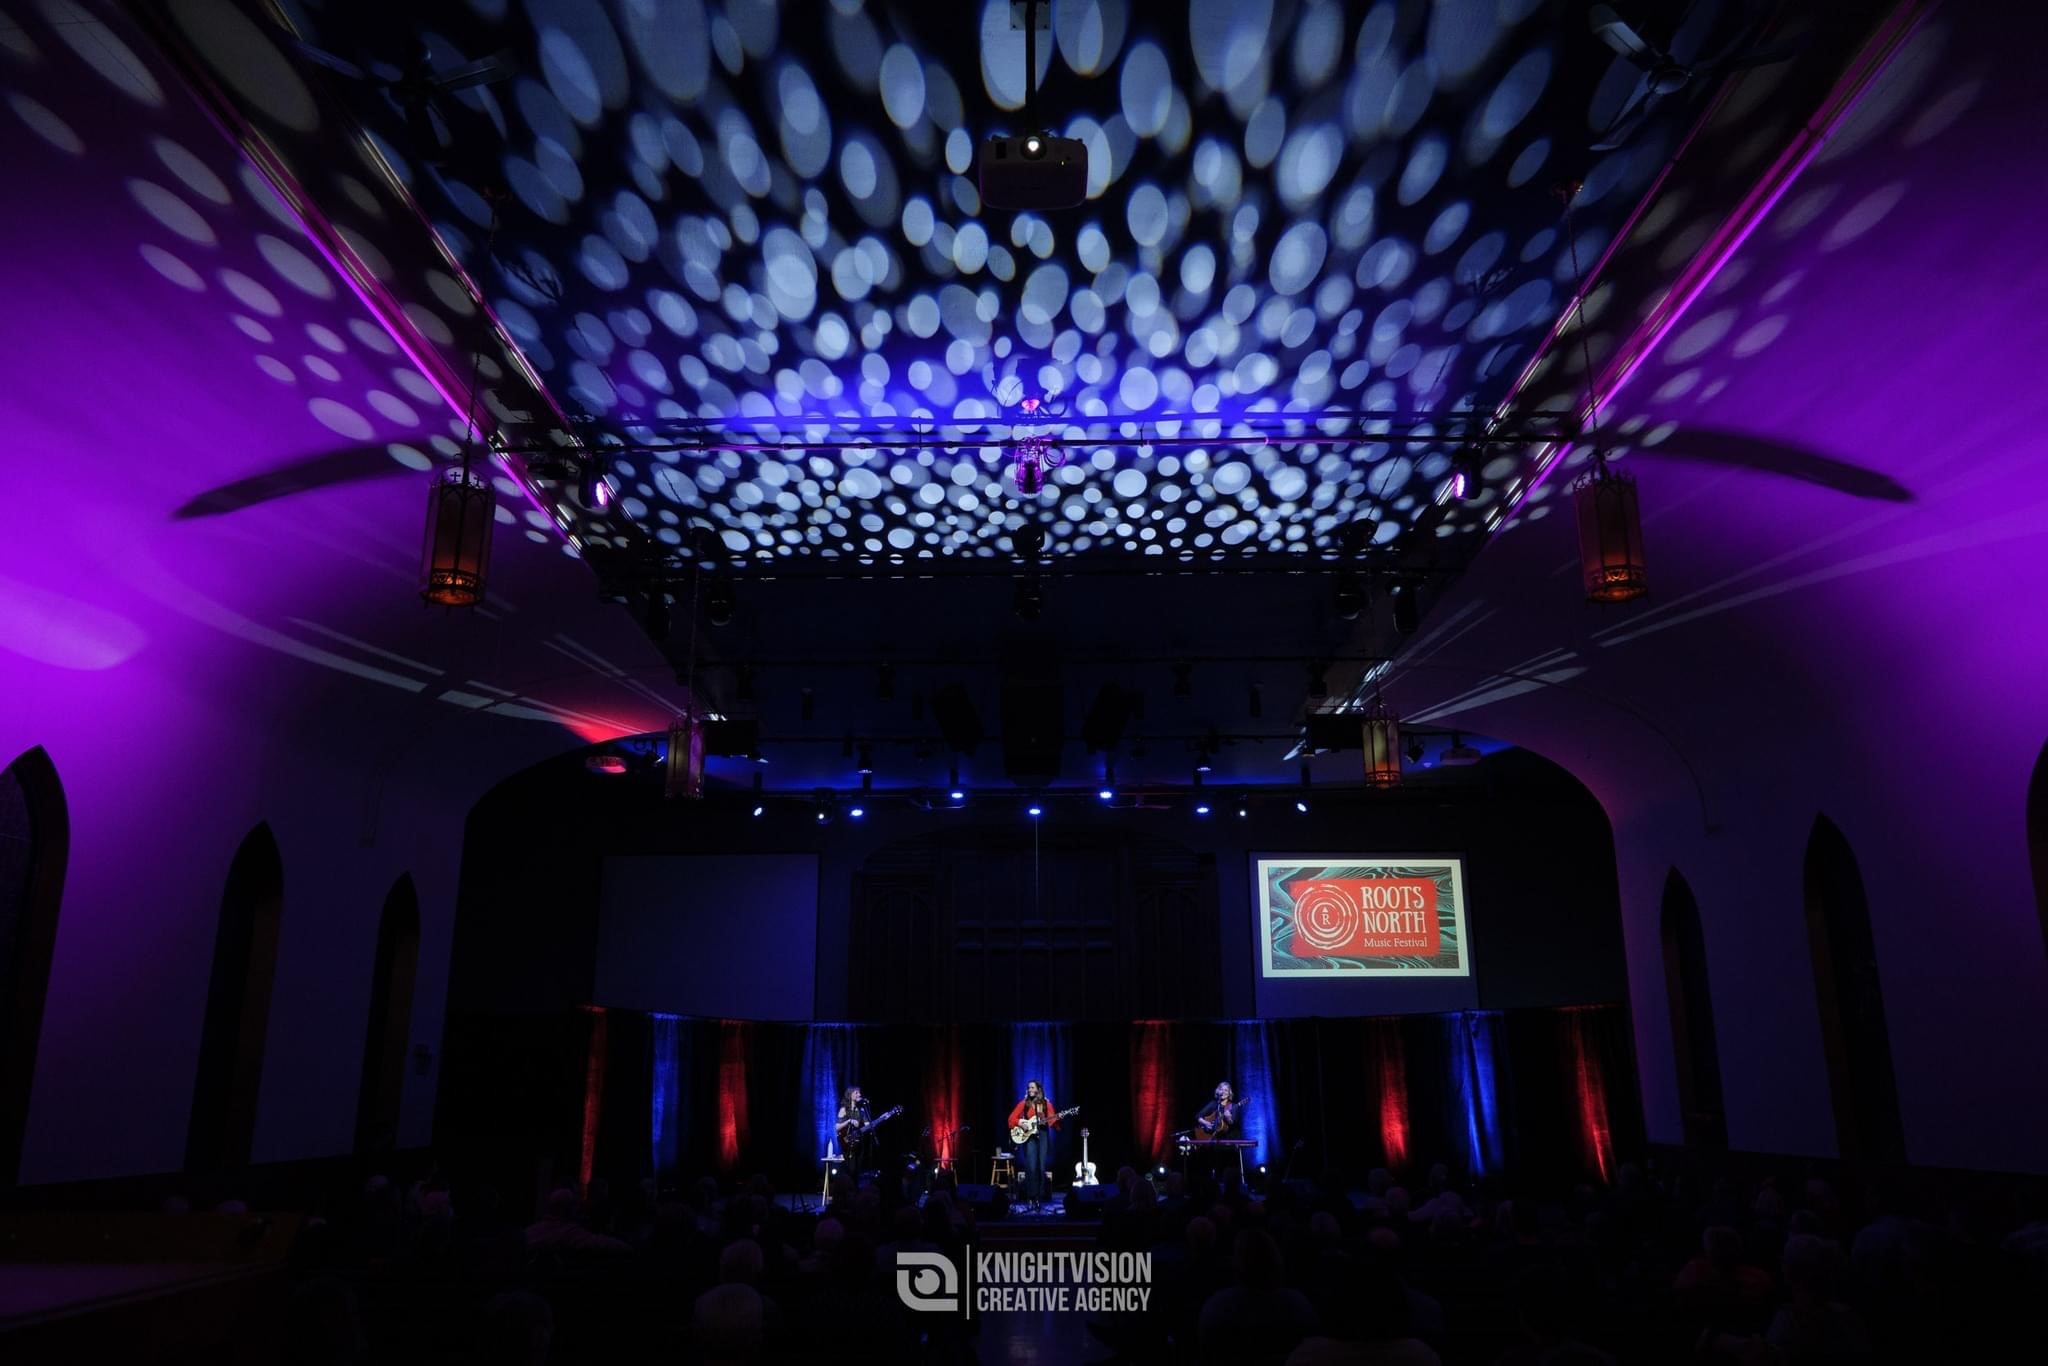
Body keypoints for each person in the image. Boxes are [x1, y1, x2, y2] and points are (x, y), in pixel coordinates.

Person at [1007, 1079, 1061, 1208]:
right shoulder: (1024, 1103)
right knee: (1031, 1167)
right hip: (1029, 1137)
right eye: (1029, 1088)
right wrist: (1021, 1123)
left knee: (1041, 1167)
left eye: (1032, 1087)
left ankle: (1039, 1196)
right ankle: (1031, 1196)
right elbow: (1011, 1118)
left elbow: (1053, 1122)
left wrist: (1057, 1119)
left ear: (1038, 1089)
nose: (1030, 1089)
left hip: (1042, 1135)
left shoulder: (1046, 1103)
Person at [836, 1085, 874, 1179]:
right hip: (848, 1142)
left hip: (859, 1143)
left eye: (859, 1092)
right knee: (850, 1169)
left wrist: (881, 1119)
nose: (859, 1094)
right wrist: (849, 1121)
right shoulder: (844, 1109)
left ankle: (855, 1191)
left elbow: (867, 1125)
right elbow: (837, 1127)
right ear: (850, 1095)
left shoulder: (861, 1110)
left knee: (858, 1169)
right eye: (856, 1092)